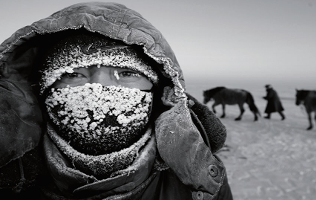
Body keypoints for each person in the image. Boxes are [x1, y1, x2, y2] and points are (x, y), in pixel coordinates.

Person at [0, 2, 233, 199]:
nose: (101, 92)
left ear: (156, 89)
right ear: (41, 90)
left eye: (127, 74)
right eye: (73, 75)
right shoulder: (7, 175)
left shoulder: (202, 179)